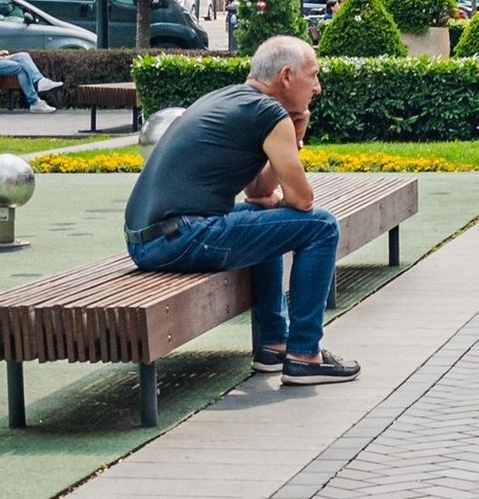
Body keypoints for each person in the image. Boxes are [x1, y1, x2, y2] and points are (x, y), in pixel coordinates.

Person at [123, 36, 358, 385]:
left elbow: (259, 190)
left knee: (263, 216)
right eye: (313, 75)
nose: (318, 87)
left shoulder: (229, 98)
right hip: (180, 238)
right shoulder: (268, 113)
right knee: (322, 226)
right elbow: (303, 200)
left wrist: (295, 134)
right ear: (287, 76)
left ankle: (274, 346)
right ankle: (306, 354)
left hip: (150, 239)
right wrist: (281, 203)